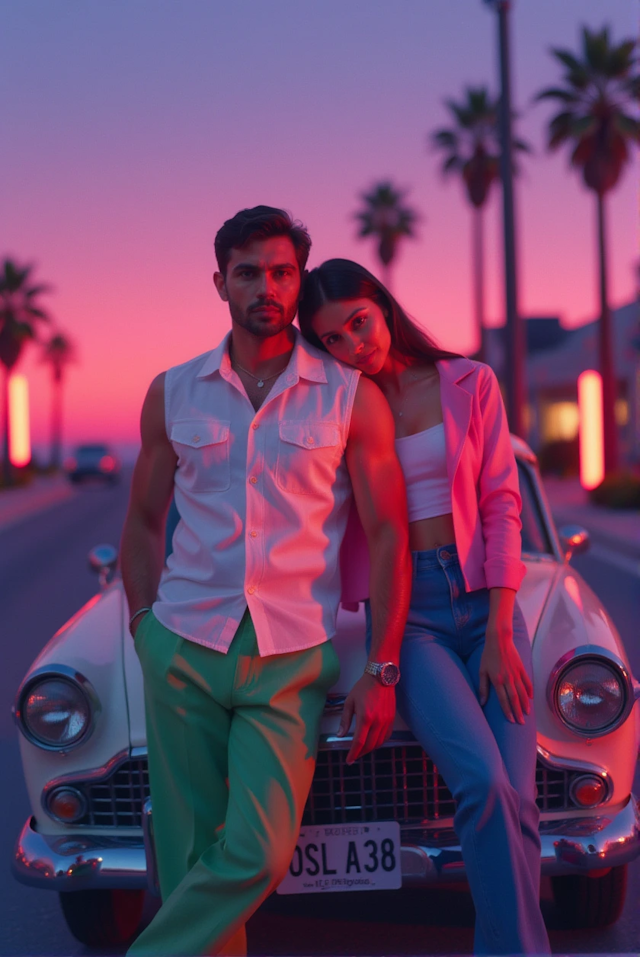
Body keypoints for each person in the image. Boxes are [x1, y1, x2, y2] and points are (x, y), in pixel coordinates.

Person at [120, 211, 411, 956]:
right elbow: (145, 519)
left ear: (298, 280)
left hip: (290, 656)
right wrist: (144, 626)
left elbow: (386, 533)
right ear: (220, 282)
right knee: (188, 860)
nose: (266, 287)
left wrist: (382, 664)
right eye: (248, 272)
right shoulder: (173, 391)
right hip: (183, 645)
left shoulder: (349, 397)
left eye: (282, 272)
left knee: (260, 852)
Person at [298, 258, 551, 956]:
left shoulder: (471, 383)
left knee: (520, 803)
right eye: (333, 340)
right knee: (483, 783)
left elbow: (502, 502)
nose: (354, 345)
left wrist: (501, 625)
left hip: (489, 604)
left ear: (382, 304)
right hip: (413, 618)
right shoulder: (339, 412)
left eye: (359, 322)